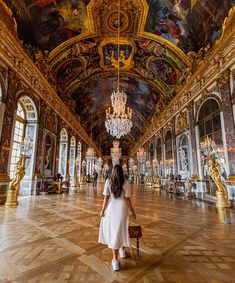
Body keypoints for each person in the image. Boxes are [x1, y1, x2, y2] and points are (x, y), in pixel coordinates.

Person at [98, 164, 136, 271]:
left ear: (113, 172)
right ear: (121, 172)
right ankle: (121, 250)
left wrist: (102, 210)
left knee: (115, 231)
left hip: (111, 208)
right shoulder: (126, 182)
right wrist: (133, 212)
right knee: (121, 229)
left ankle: (115, 260)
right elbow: (127, 199)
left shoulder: (108, 181)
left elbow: (106, 198)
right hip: (122, 208)